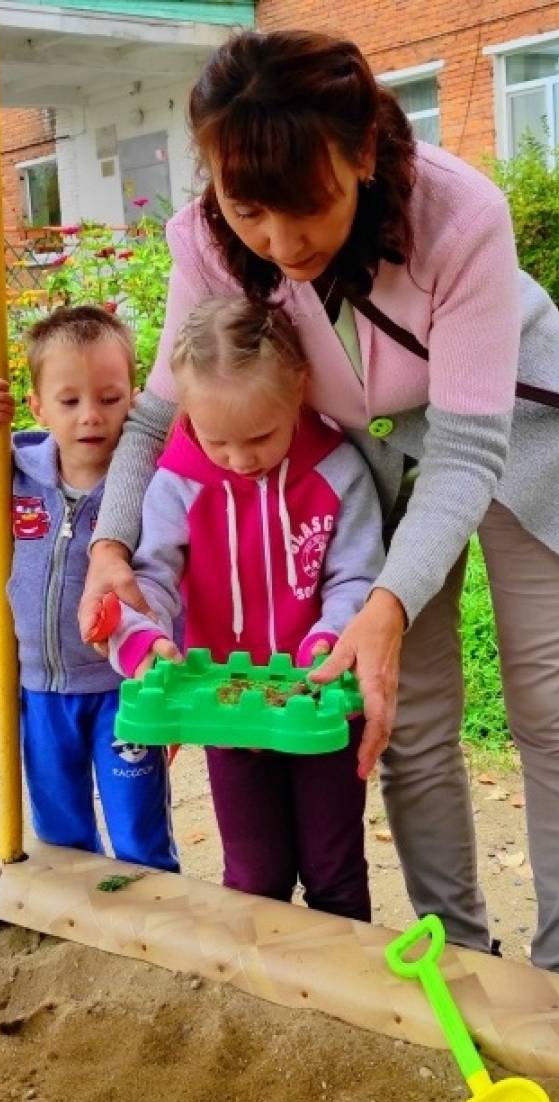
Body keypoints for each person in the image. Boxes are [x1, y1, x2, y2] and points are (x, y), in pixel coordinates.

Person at [81, 29, 559, 981]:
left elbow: (471, 444)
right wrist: (112, 546)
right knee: (406, 715)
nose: (280, 242)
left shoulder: (458, 210)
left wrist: (387, 603)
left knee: (552, 718)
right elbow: (157, 417)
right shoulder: (207, 239)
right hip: (380, 465)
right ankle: (460, 953)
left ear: (361, 152)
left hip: (522, 435)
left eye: (304, 206)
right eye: (249, 210)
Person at [107, 296, 382, 918]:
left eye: (260, 436)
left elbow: (355, 574)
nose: (239, 459)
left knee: (335, 870)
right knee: (253, 874)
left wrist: (333, 634)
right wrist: (144, 635)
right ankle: (261, 1002)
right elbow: (151, 575)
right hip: (225, 706)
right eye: (217, 440)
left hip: (320, 700)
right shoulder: (179, 481)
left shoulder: (338, 472)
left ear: (299, 393)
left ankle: (341, 998)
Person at [0, 305, 177, 870]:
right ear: (37, 407)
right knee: (59, 828)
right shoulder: (17, 477)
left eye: (110, 399)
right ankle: (72, 924)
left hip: (123, 685)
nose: (91, 417)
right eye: (70, 401)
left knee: (138, 825)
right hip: (40, 686)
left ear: (134, 399)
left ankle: (155, 918)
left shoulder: (147, 486)